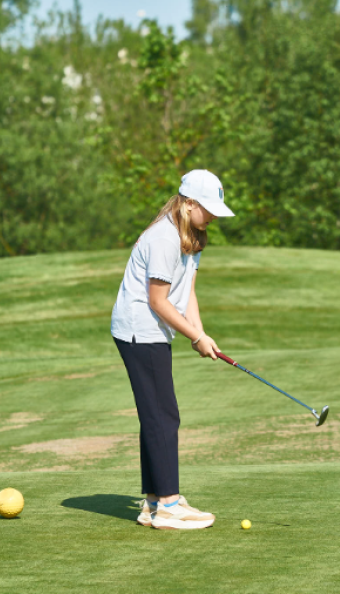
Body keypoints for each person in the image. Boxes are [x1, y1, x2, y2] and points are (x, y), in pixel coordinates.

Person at [111, 169, 235, 529]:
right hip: (139, 329)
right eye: (208, 209)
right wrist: (195, 336)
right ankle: (168, 505)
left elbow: (186, 293)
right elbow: (158, 301)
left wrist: (199, 332)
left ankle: (154, 502)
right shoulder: (164, 237)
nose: (212, 217)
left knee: (156, 415)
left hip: (152, 330)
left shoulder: (192, 236)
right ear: (189, 203)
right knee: (163, 415)